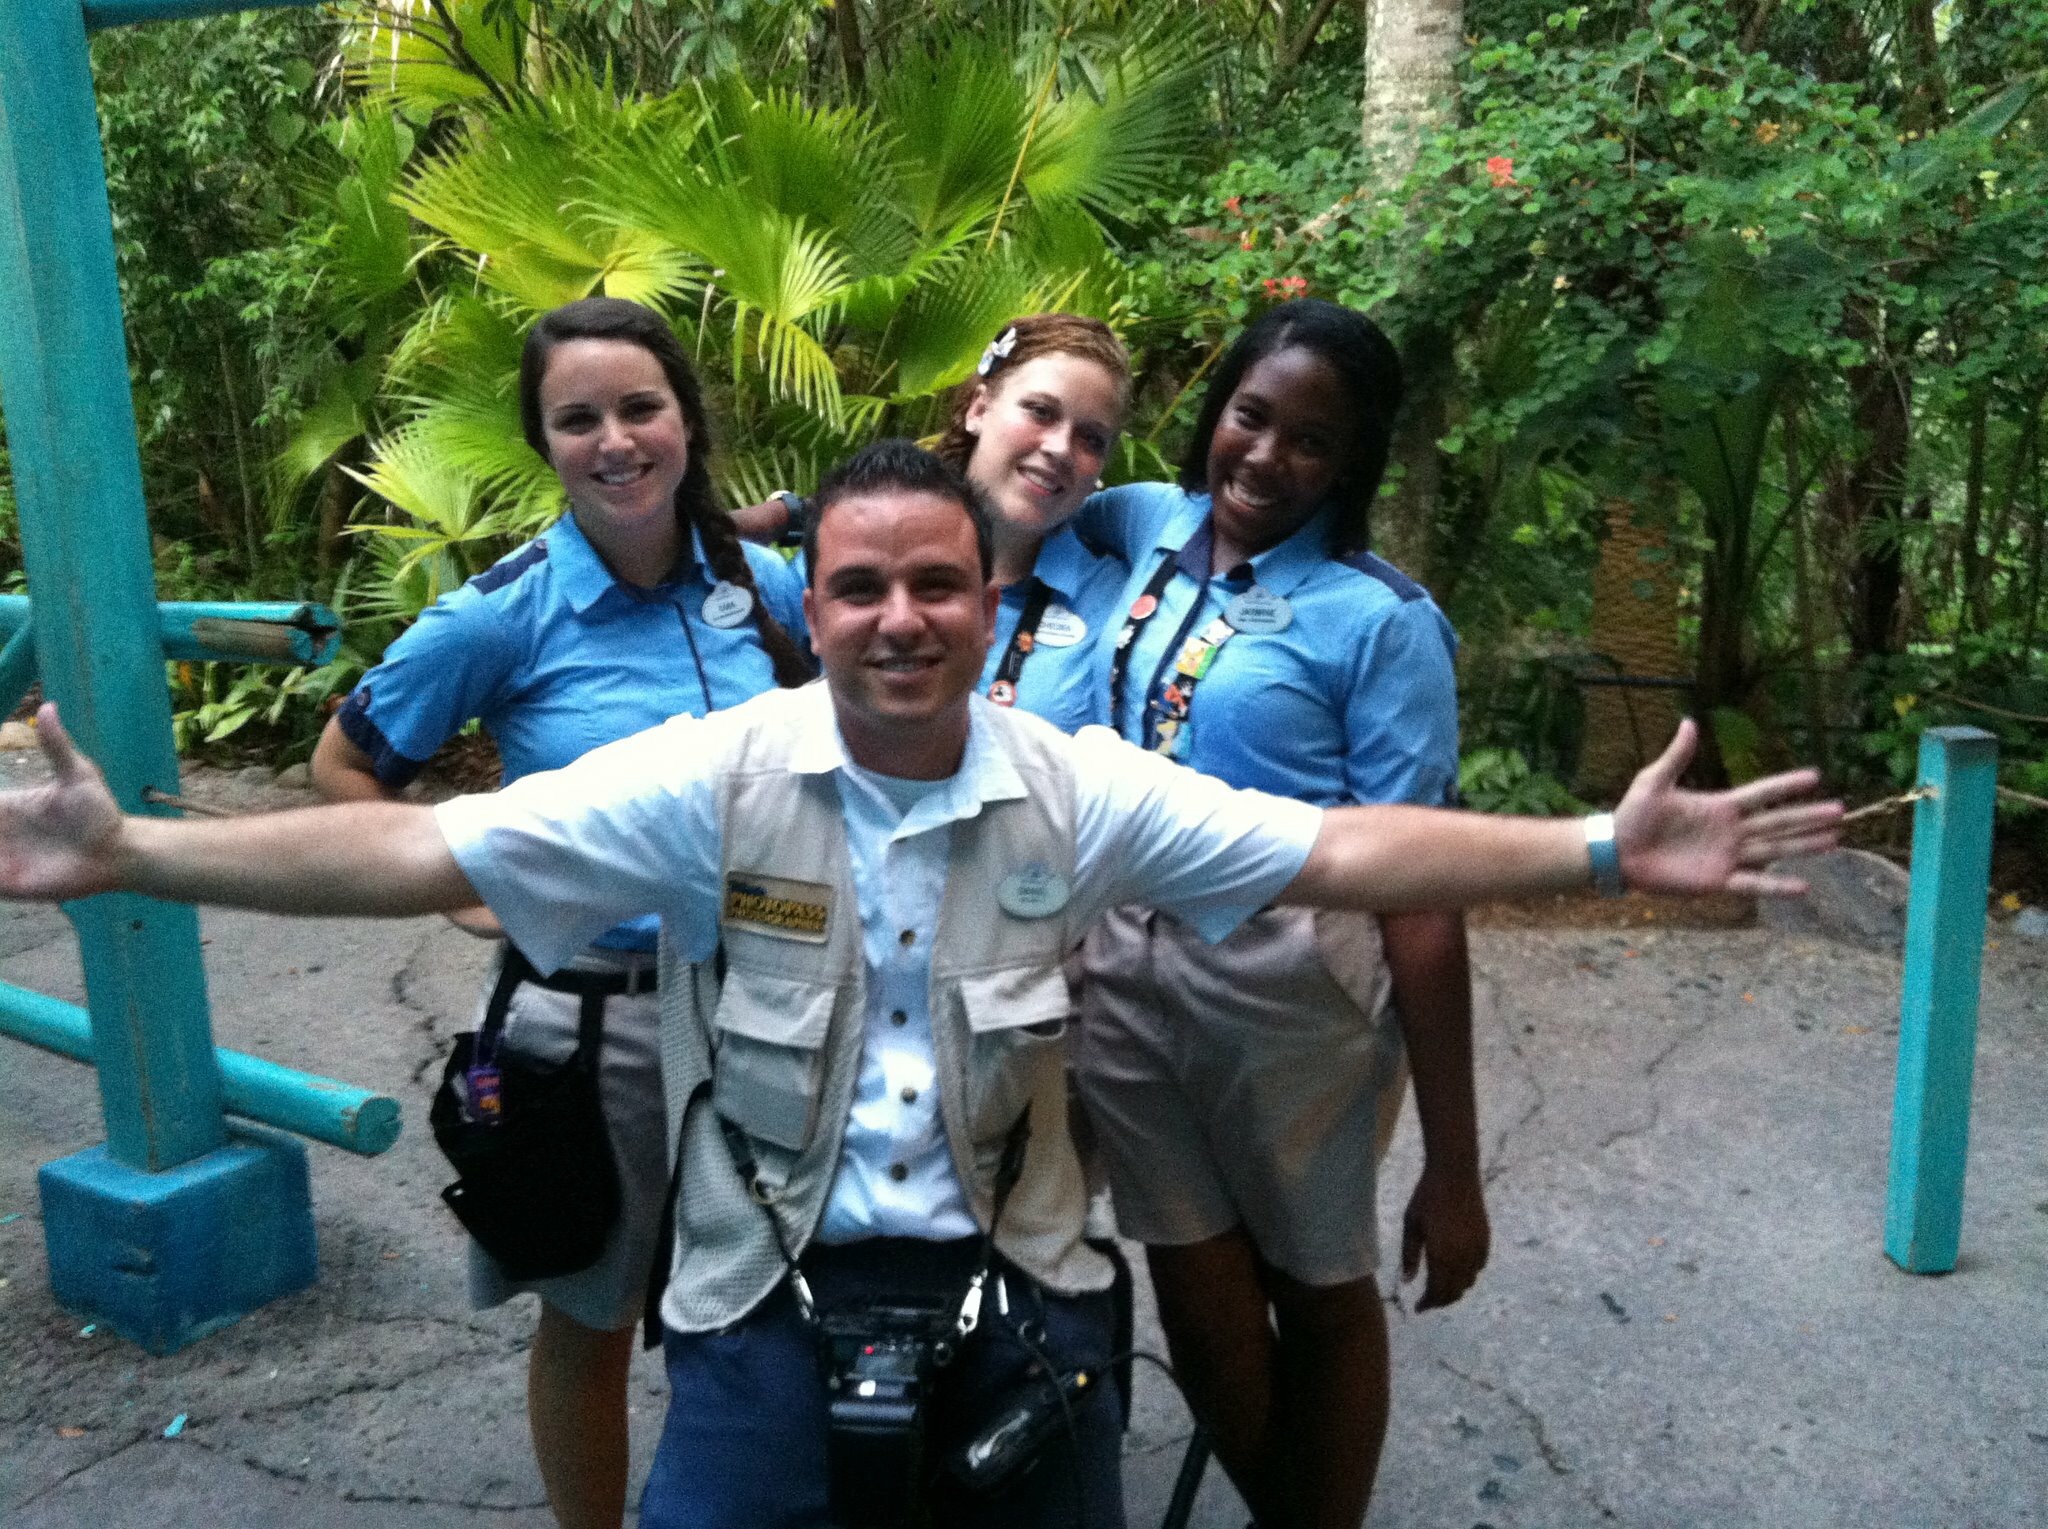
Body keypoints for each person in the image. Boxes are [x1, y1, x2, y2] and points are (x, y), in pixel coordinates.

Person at [0, 441, 1841, 1529]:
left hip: (1018, 1283)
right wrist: (136, 850)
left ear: (987, 604)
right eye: (862, 587)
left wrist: (1596, 847)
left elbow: (1338, 850)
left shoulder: (1069, 782)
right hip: (757, 1288)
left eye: (939, 587)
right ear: (813, 603)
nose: (900, 619)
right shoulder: (711, 776)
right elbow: (422, 852)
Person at [307, 295, 811, 1529]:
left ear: (686, 419)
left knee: (762, 1301)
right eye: (577, 419)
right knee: (595, 1314)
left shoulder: (767, 585)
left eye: (640, 407)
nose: (615, 440)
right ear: (542, 442)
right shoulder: (500, 611)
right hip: (600, 1024)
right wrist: (474, 898)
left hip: (765, 1001)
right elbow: (345, 763)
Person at [1068, 298, 1478, 1527]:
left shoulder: (1381, 620)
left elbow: (1421, 883)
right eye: (1250, 416)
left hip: (1289, 984)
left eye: (1311, 440)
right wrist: (771, 522)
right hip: (1119, 961)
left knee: (1313, 1278)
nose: (1265, 455)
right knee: (1190, 1276)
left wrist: (1454, 1165)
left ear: (1350, 461)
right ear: (1216, 410)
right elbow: (1000, 489)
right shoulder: (1146, 520)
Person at [742, 313, 1133, 732]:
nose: (1060, 448)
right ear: (978, 409)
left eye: (1091, 439)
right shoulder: (851, 553)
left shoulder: (1112, 602)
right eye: (1040, 411)